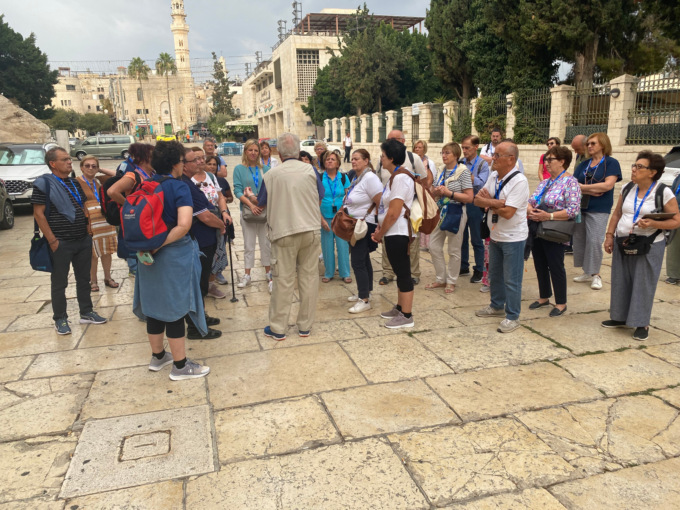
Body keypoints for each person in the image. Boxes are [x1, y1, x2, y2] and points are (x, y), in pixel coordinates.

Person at [132, 141, 210, 380]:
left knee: (154, 307)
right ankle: (180, 365)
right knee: (176, 308)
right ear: (177, 163)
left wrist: (150, 247)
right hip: (173, 255)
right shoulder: (179, 187)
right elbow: (183, 225)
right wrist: (159, 245)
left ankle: (158, 357)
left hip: (146, 255)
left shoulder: (146, 184)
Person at [252, 133, 324, 340]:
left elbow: (261, 202)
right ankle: (305, 326)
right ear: (298, 151)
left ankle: (278, 328)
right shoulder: (310, 170)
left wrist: (249, 196)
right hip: (310, 230)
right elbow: (320, 195)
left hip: (284, 232)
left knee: (283, 280)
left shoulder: (271, 175)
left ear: (280, 154)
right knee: (309, 278)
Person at [602, 151, 680, 340]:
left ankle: (641, 323)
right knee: (621, 280)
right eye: (634, 166)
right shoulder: (628, 188)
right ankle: (619, 317)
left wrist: (653, 223)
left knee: (643, 283)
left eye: (639, 167)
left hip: (649, 244)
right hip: (624, 241)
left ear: (652, 172)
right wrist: (609, 235)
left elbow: (676, 220)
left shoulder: (663, 192)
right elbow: (617, 214)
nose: (633, 170)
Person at [32, 147, 108, 335]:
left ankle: (86, 312)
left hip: (82, 239)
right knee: (59, 283)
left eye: (69, 159)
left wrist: (88, 229)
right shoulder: (44, 184)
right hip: (60, 242)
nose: (69, 162)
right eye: (64, 159)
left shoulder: (74, 183)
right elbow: (38, 214)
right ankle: (60, 318)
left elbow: (82, 206)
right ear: (53, 164)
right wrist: (52, 241)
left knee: (84, 279)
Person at [474, 141, 530, 333]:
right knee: (495, 275)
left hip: (513, 237)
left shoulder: (519, 181)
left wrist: (489, 202)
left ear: (511, 159)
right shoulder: (494, 176)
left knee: (512, 279)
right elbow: (477, 200)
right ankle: (496, 305)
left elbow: (508, 213)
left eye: (497, 155)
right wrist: (497, 202)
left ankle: (513, 316)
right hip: (495, 233)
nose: (493, 158)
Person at [526, 146, 581, 317]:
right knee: (540, 264)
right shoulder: (545, 182)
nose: (546, 163)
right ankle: (544, 296)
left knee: (556, 266)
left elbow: (573, 210)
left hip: (554, 230)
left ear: (562, 161)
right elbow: (531, 200)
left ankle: (561, 302)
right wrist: (530, 209)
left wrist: (548, 216)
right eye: (546, 160)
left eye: (550, 160)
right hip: (538, 228)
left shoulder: (571, 182)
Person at [181, 149, 226, 339]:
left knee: (203, 281)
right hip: (200, 240)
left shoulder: (189, 182)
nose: (199, 162)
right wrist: (221, 225)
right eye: (194, 160)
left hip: (206, 239)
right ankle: (195, 327)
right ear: (184, 165)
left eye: (201, 159)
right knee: (198, 284)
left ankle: (201, 316)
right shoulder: (185, 184)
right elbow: (205, 216)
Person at [372, 138, 416, 329]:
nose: (381, 159)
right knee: (399, 271)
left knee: (403, 272)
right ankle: (400, 307)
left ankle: (406, 316)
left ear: (391, 158)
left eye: (383, 156)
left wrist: (380, 233)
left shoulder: (400, 178)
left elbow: (393, 212)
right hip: (392, 232)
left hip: (398, 232)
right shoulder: (395, 177)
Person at [376, 130, 428, 285]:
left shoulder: (413, 159)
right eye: (388, 139)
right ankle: (388, 272)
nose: (391, 142)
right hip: (387, 205)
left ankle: (413, 273)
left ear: (403, 141)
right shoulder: (382, 162)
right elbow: (378, 181)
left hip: (407, 210)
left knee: (411, 244)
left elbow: (424, 180)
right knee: (388, 245)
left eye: (394, 139)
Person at [572, 132, 622, 290]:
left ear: (603, 144)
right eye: (588, 144)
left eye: (593, 143)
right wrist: (591, 190)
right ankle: (587, 271)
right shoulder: (584, 164)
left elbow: (607, 185)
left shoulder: (611, 163)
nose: (589, 146)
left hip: (599, 207)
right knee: (580, 239)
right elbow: (573, 184)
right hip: (581, 206)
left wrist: (584, 188)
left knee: (594, 240)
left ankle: (596, 274)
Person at [426, 142, 473, 294]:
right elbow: (433, 190)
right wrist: (436, 191)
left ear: (456, 155)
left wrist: (449, 193)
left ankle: (451, 281)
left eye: (447, 153)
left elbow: (469, 197)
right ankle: (441, 278)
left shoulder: (463, 172)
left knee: (454, 249)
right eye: (443, 153)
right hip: (440, 211)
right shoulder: (440, 170)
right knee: (433, 246)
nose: (444, 156)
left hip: (456, 211)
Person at [190, 149, 233, 298]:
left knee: (216, 252)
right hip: (199, 221)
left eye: (202, 157)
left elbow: (220, 196)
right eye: (197, 158)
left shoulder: (210, 176)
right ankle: (199, 287)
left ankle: (210, 284)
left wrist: (224, 212)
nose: (201, 161)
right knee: (202, 255)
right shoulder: (188, 179)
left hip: (215, 217)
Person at [108, 143, 155, 277]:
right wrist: (129, 206)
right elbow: (112, 191)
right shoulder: (133, 176)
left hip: (149, 219)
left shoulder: (152, 173)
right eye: (152, 156)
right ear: (142, 158)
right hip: (137, 221)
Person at [345, 149, 382, 313]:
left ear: (366, 161)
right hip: (356, 223)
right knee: (364, 259)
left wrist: (380, 224)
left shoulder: (370, 178)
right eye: (352, 159)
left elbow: (380, 201)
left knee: (358, 261)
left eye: (357, 159)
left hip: (364, 225)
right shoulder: (357, 177)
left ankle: (364, 300)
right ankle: (366, 291)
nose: (353, 161)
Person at [75, 156, 119, 292]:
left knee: (107, 251)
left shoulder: (99, 180)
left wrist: (100, 170)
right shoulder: (76, 182)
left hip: (105, 221)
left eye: (94, 166)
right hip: (90, 221)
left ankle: (108, 277)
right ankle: (93, 280)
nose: (90, 168)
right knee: (92, 252)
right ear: (81, 167)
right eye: (87, 165)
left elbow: (118, 176)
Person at [233, 139, 272, 289]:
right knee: (248, 245)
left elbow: (270, 190)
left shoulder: (266, 169)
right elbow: (237, 190)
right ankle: (247, 274)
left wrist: (260, 204)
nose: (253, 153)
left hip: (263, 210)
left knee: (265, 244)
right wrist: (251, 204)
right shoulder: (239, 169)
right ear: (245, 151)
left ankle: (269, 273)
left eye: (256, 150)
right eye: (250, 150)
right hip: (248, 211)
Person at [459, 135, 490, 283]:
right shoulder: (460, 162)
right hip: (461, 202)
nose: (464, 151)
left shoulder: (482, 164)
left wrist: (468, 176)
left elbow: (483, 184)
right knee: (461, 237)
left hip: (475, 204)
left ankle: (479, 269)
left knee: (477, 238)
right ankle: (463, 265)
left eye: (467, 148)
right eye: (463, 148)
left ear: (476, 147)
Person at [320, 151, 352, 283]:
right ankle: (329, 273)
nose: (329, 161)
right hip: (325, 217)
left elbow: (348, 197)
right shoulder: (319, 178)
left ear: (338, 163)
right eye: (327, 159)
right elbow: (314, 199)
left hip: (340, 217)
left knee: (342, 245)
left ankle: (345, 273)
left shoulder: (343, 178)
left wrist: (343, 211)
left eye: (333, 159)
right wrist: (321, 219)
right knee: (327, 246)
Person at [413, 139, 436, 251]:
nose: (417, 149)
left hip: (425, 192)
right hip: (414, 193)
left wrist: (424, 190)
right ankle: (418, 242)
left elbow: (431, 179)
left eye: (420, 147)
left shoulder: (429, 163)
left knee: (426, 216)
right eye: (416, 147)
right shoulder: (412, 161)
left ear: (424, 149)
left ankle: (428, 244)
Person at [666, 171, 680, 285]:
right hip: (676, 213)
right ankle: (674, 274)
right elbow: (673, 193)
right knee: (674, 245)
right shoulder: (679, 177)